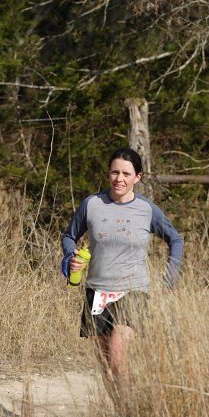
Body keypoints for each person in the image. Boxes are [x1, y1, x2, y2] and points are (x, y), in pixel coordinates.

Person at [61, 147, 183, 398]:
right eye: (115, 172)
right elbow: (69, 237)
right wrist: (70, 257)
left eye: (126, 174)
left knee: (118, 356)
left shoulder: (147, 210)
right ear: (108, 174)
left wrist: (171, 275)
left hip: (133, 290)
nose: (120, 179)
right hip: (96, 292)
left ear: (138, 177)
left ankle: (132, 412)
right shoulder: (92, 204)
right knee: (106, 365)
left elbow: (175, 239)